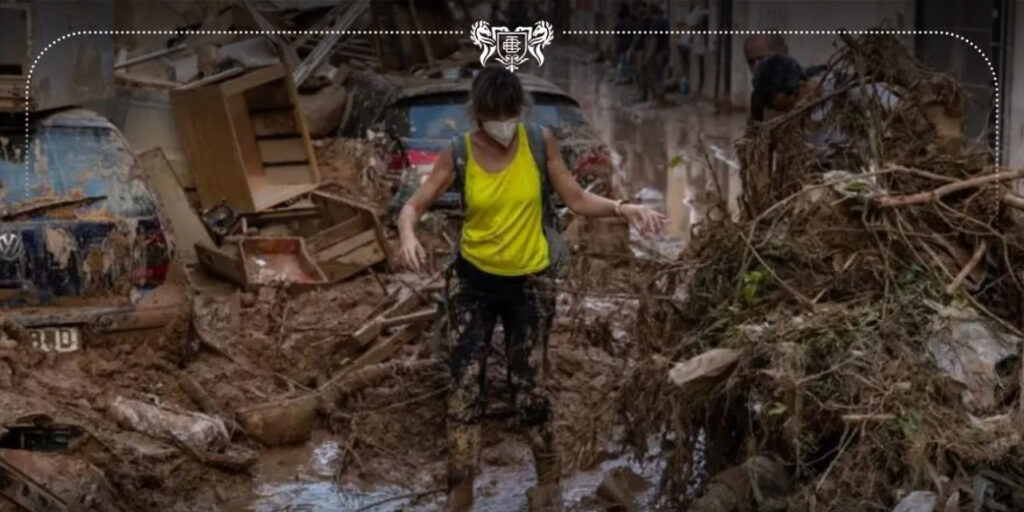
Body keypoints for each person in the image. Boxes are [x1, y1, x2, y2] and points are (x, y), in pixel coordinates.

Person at [397, 68, 665, 512]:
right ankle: (460, 492)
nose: (502, 123)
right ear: (477, 114)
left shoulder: (540, 144)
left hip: (530, 287)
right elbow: (413, 205)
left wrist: (624, 208)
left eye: (509, 114)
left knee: (531, 389)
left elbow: (576, 199)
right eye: (493, 115)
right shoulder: (459, 152)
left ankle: (548, 483)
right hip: (473, 285)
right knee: (465, 389)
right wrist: (408, 234)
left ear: (518, 111)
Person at [751, 54, 900, 144]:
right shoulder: (791, 127)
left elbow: (902, 111)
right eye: (780, 111)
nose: (787, 115)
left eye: (788, 108)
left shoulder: (849, 91)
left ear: (803, 87)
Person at [643, 4, 671, 105]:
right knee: (661, 75)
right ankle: (661, 98)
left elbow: (654, 40)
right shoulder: (665, 21)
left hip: (658, 53)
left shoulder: (655, 23)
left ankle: (660, 99)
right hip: (666, 51)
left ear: (652, 12)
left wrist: (647, 57)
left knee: (657, 76)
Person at [613, 4, 635, 83]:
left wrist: (615, 48)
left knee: (622, 63)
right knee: (628, 64)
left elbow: (616, 38)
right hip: (630, 47)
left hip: (621, 47)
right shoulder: (632, 23)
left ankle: (624, 79)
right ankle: (628, 78)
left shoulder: (618, 23)